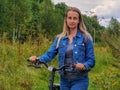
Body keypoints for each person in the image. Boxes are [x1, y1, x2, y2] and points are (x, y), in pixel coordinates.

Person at [29, 7, 95, 90]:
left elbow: (91, 60)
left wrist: (84, 65)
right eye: (69, 18)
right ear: (66, 20)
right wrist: (37, 59)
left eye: (75, 18)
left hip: (80, 79)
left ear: (79, 21)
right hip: (64, 80)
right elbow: (49, 54)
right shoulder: (60, 38)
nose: (72, 21)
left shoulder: (86, 38)